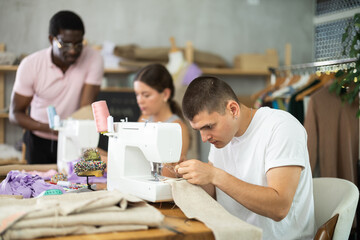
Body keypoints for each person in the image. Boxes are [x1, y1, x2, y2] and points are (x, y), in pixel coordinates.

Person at [175, 76, 315, 239]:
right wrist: (189, 173)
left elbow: (280, 208)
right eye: (199, 130)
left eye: (209, 127)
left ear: (233, 109)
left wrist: (214, 175)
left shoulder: (282, 128)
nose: (204, 138)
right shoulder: (221, 138)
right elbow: (215, 192)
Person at [9, 10, 104, 164]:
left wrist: (67, 129)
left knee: (75, 184)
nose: (73, 50)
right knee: (39, 184)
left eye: (78, 44)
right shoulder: (31, 65)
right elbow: (15, 114)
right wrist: (50, 128)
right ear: (51, 39)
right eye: (65, 44)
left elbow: (85, 110)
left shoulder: (93, 59)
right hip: (39, 139)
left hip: (75, 138)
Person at [133, 63, 190, 177]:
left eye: (146, 95)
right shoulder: (144, 119)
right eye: (137, 94)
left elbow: (168, 175)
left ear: (165, 94)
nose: (139, 101)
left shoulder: (177, 128)